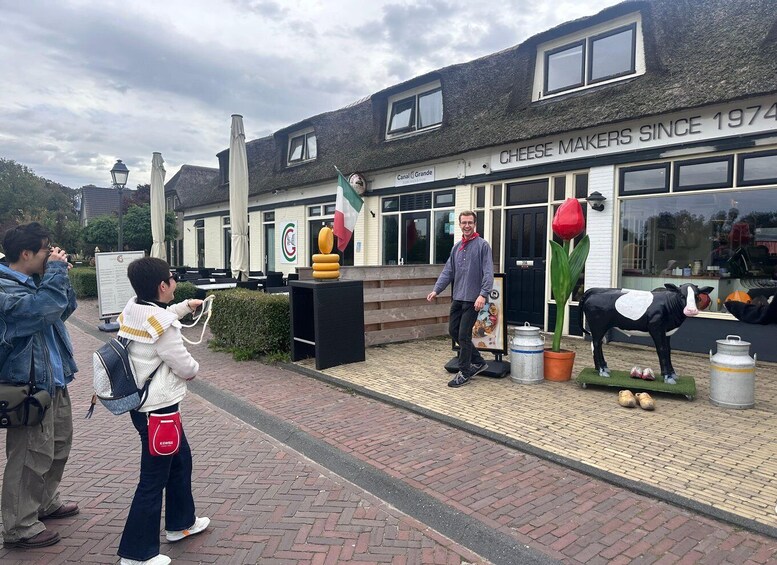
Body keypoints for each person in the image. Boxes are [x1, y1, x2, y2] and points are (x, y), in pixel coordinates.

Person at [117, 257, 209, 565]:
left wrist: (183, 307)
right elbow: (187, 368)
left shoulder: (133, 308)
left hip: (143, 406)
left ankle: (181, 524)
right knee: (152, 479)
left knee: (181, 460)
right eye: (172, 278)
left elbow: (158, 317)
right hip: (159, 410)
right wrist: (195, 365)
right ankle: (136, 555)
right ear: (162, 285)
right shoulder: (164, 328)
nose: (175, 281)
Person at [0, 222, 79, 549]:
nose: (50, 253)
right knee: (29, 456)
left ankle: (43, 503)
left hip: (55, 380)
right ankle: (19, 526)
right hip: (28, 386)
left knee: (58, 447)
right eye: (46, 248)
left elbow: (63, 309)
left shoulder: (37, 281)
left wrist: (59, 277)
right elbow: (41, 311)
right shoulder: (5, 290)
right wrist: (54, 274)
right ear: (25, 253)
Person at [427, 211, 494, 388]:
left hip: (473, 300)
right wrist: (436, 290)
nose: (467, 226)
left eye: (470, 222)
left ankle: (464, 372)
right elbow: (448, 271)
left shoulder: (483, 246)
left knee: (463, 335)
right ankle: (478, 361)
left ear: (475, 224)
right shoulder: (456, 248)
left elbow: (488, 273)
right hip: (458, 297)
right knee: (453, 331)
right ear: (459, 225)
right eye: (464, 223)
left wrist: (483, 294)